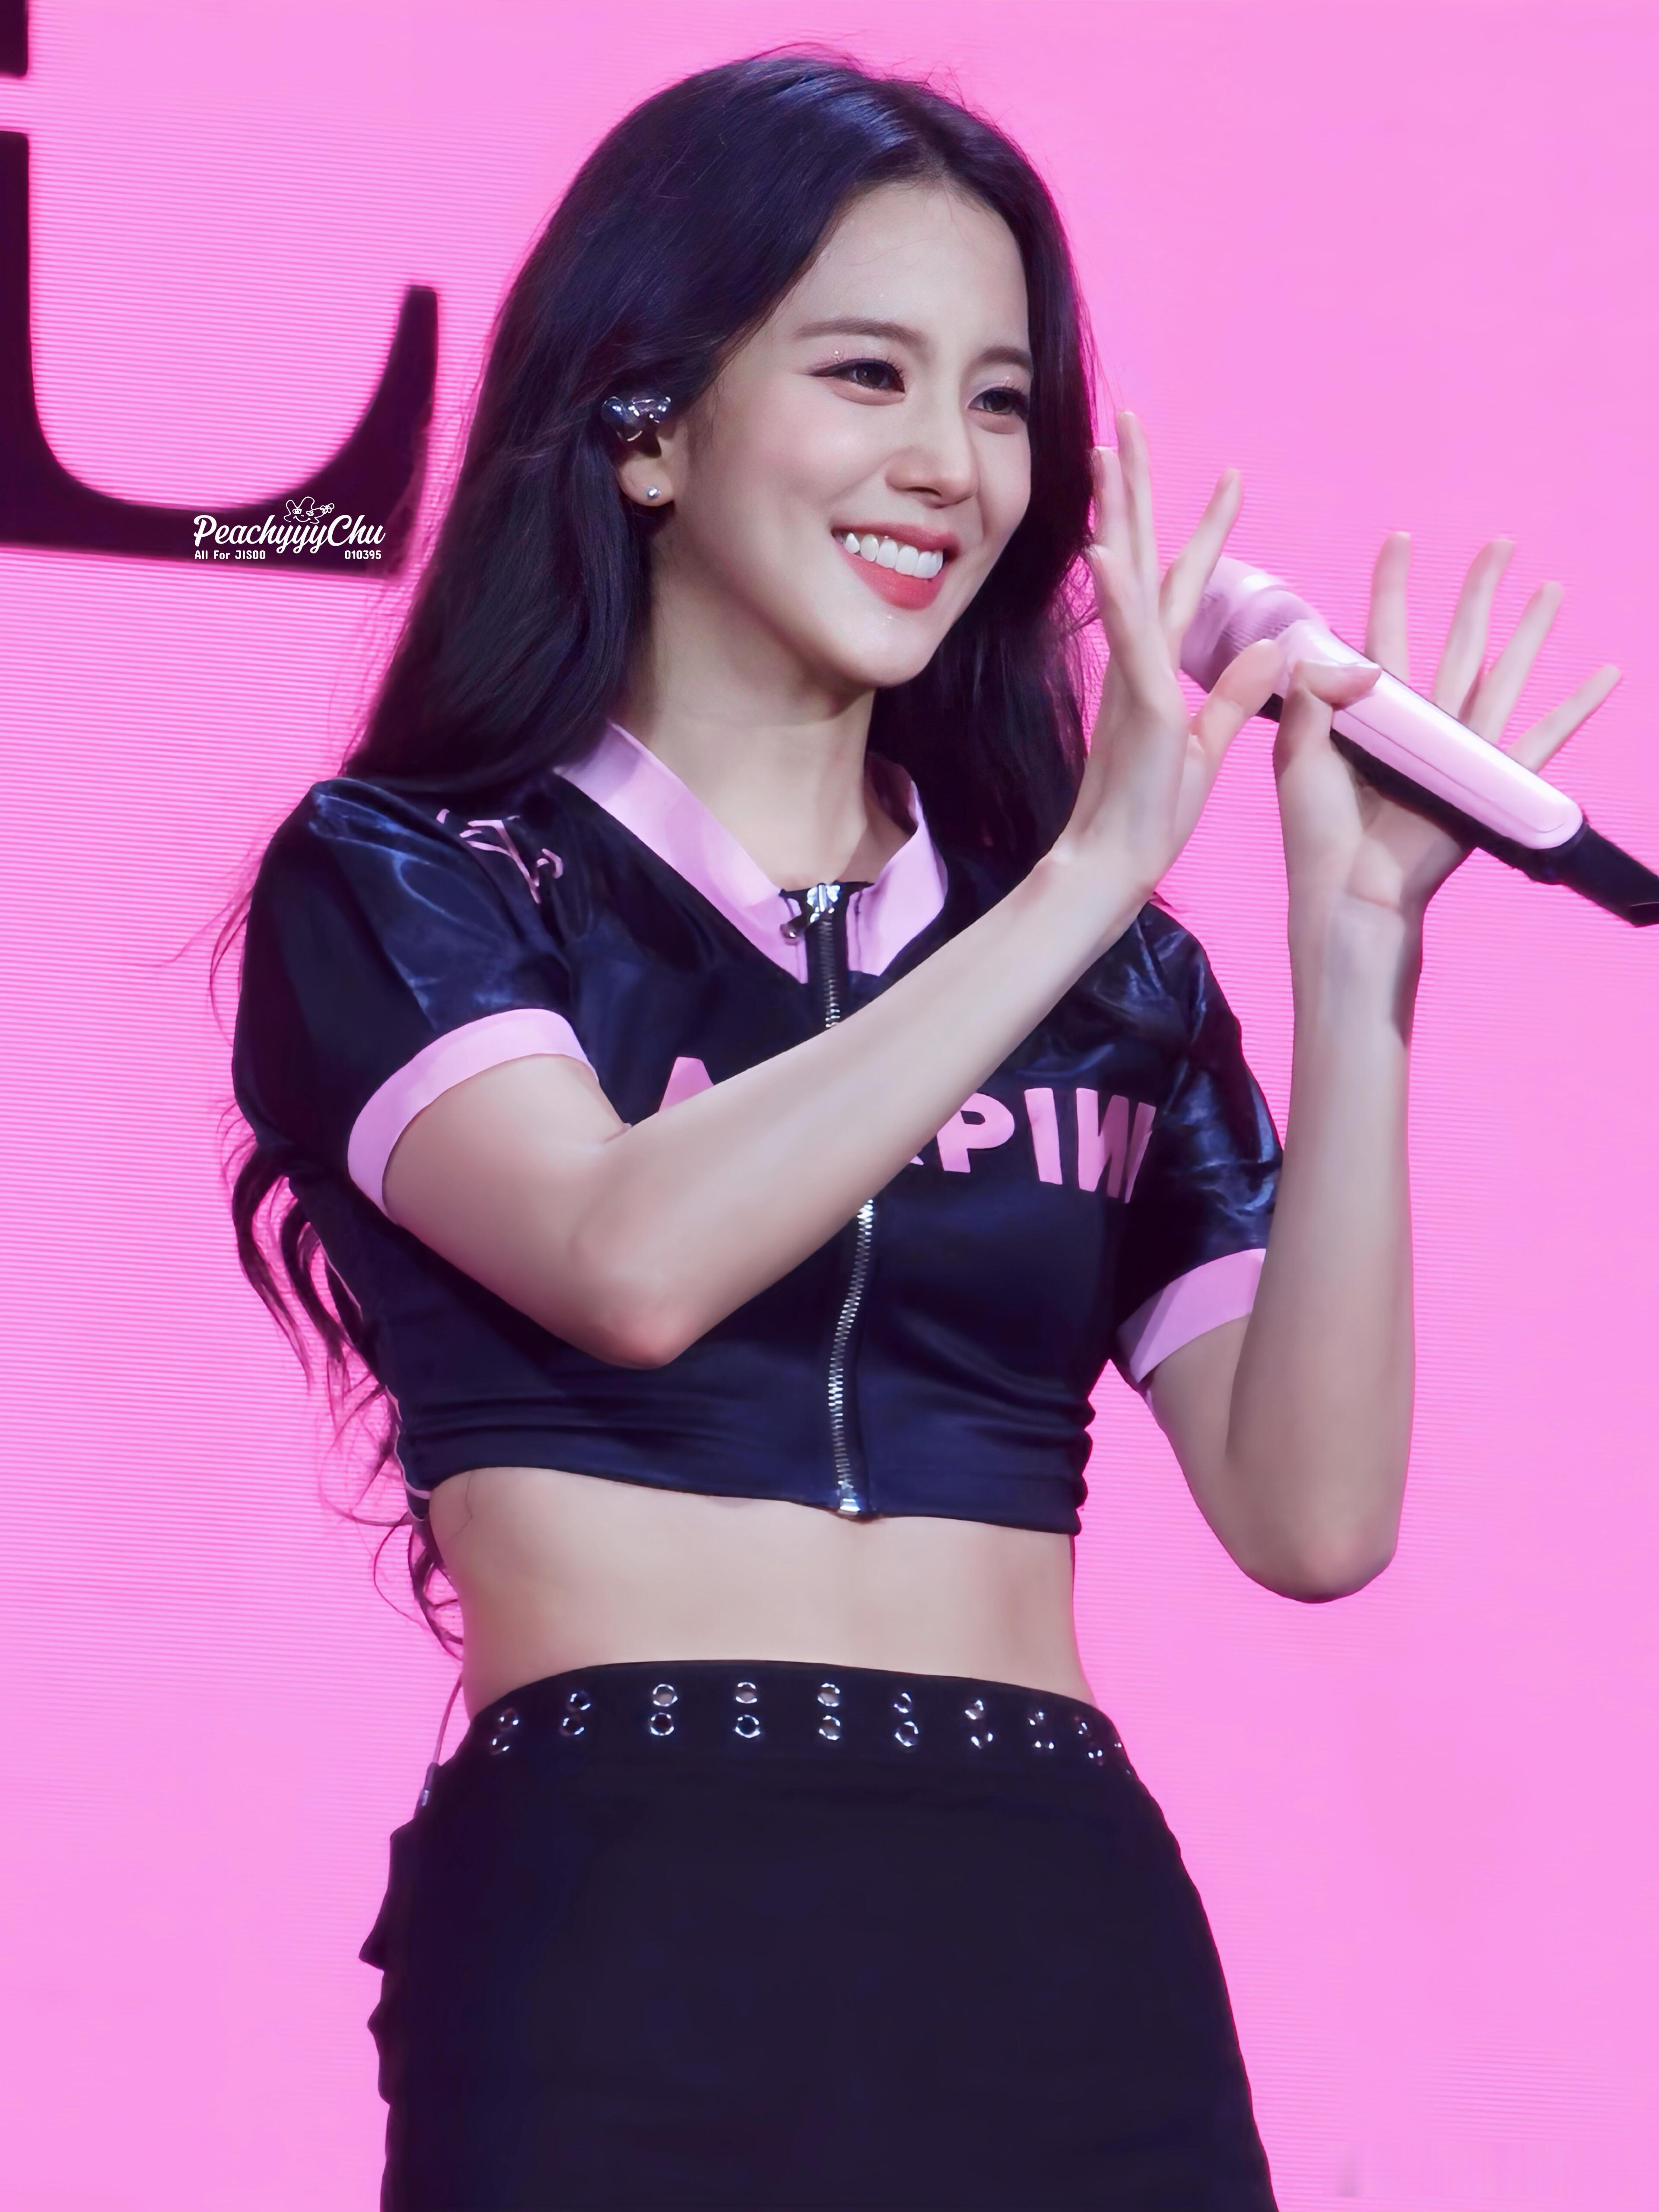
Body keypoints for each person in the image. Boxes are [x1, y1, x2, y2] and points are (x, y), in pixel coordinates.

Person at [227, 51, 1619, 2212]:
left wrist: (1357, 958)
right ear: (648, 424)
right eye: (866, 373)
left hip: (1056, 1920)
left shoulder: (1116, 984)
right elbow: (621, 1256)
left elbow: (1312, 1506)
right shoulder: (420, 876)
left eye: (1000, 400)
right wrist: (1087, 870)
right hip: (625, 1913)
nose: (949, 467)